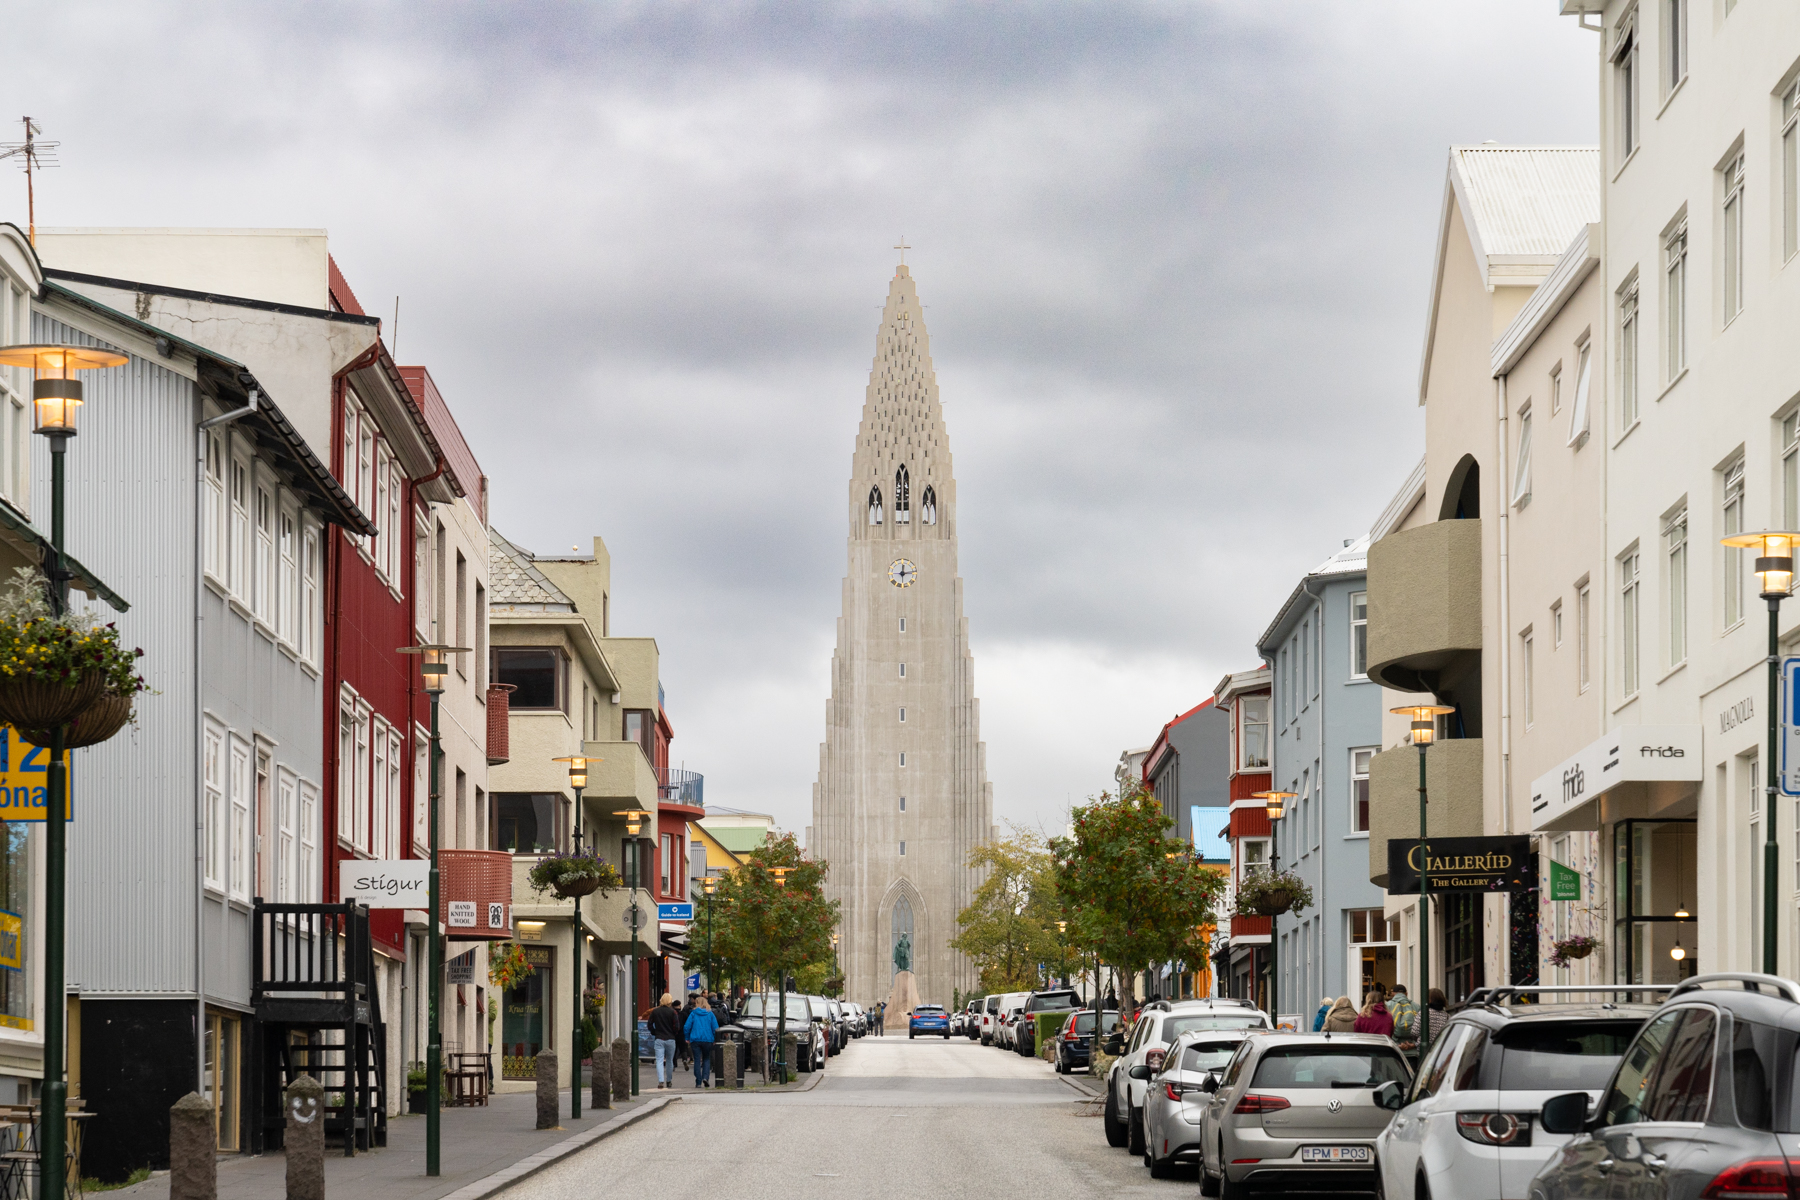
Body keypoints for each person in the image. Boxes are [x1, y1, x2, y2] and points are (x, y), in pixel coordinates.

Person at [685, 995, 721, 1087]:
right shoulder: (710, 1014)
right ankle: (705, 1077)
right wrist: (715, 1039)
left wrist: (687, 1037)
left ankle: (698, 1081)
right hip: (708, 1039)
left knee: (697, 1059)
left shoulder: (693, 1013)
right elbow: (715, 1027)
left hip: (695, 1039)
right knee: (706, 1059)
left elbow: (687, 1027)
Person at [648, 993, 681, 1089]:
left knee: (659, 1060)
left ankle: (661, 1080)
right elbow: (677, 1026)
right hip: (670, 1038)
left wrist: (654, 1032)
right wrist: (674, 1033)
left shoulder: (655, 1011)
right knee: (670, 1060)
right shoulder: (673, 1012)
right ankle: (669, 1080)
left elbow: (649, 1024)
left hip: (659, 1038)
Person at [1388, 985, 1419, 1058]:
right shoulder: (1416, 1006)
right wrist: (1413, 1044)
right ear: (1406, 993)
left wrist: (1397, 1045)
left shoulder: (1387, 1005)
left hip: (1394, 1051)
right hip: (1413, 1051)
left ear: (1393, 994)